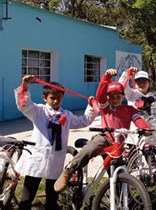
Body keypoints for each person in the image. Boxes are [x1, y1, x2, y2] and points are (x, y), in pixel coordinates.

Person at [54, 69, 150, 192]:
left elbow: (138, 119)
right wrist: (106, 78)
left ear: (123, 96)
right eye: (111, 97)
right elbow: (100, 95)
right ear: (108, 98)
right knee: (91, 148)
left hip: (118, 144)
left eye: (118, 96)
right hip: (104, 138)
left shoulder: (129, 109)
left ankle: (119, 197)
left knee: (118, 170)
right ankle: (68, 171)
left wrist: (145, 128)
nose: (114, 99)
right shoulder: (106, 107)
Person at [14, 75, 98, 209]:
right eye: (52, 98)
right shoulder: (38, 111)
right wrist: (24, 86)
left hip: (55, 161)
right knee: (27, 196)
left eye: (59, 98)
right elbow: (24, 106)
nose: (55, 101)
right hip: (37, 159)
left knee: (52, 196)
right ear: (45, 98)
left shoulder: (67, 115)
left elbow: (84, 120)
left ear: (62, 98)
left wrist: (91, 105)